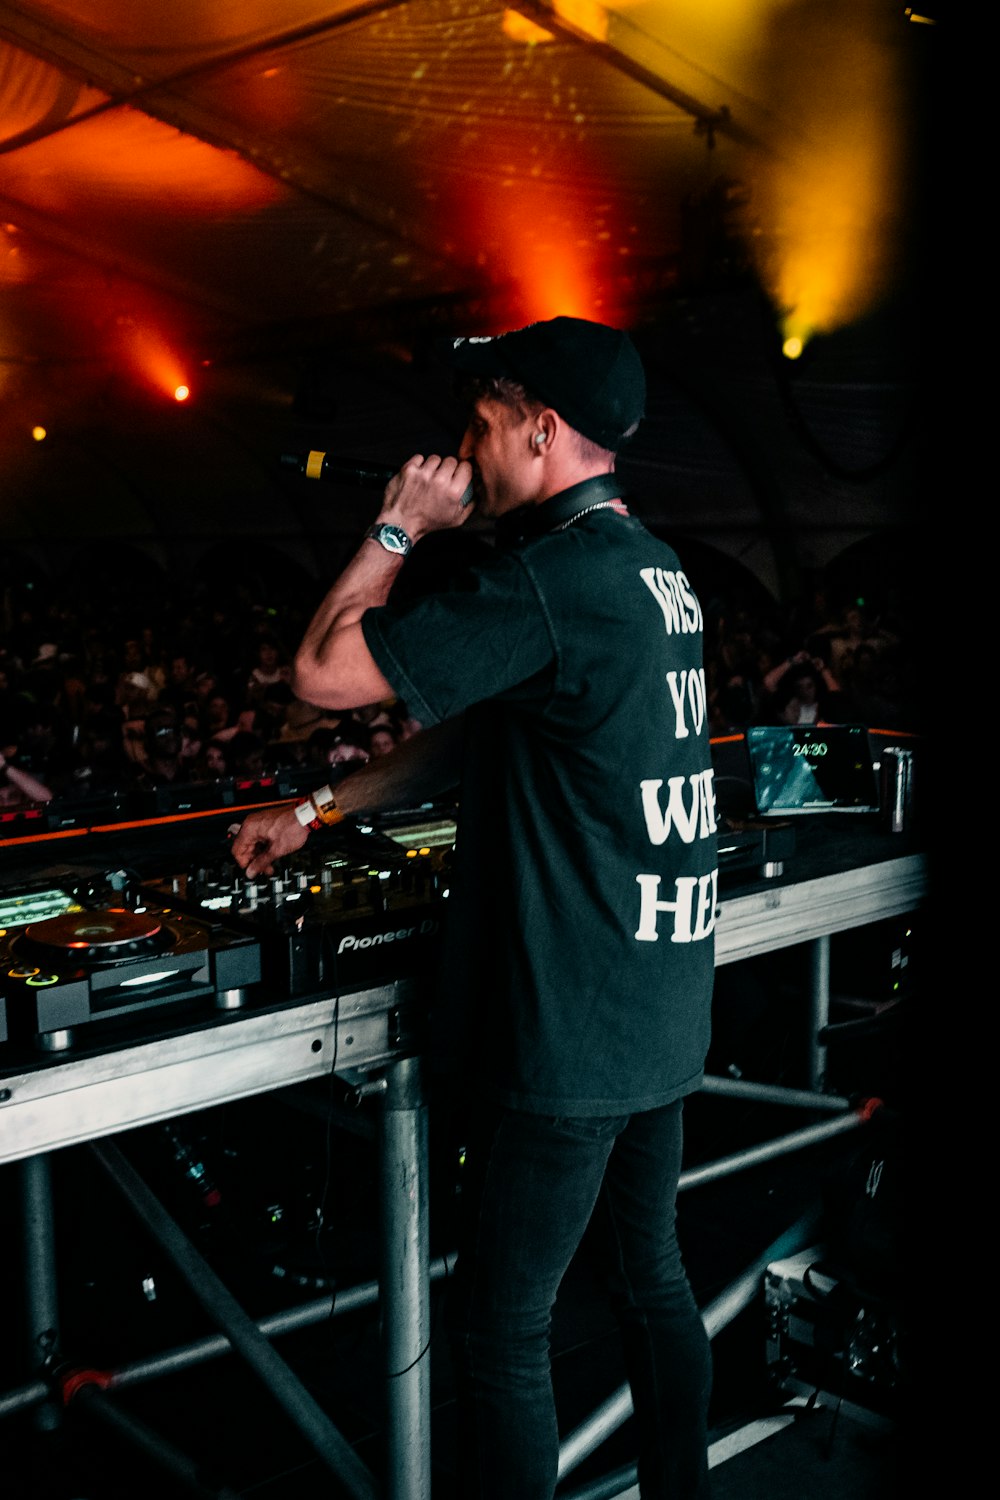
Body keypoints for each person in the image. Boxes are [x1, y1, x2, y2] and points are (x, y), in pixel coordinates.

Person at [231, 315, 717, 1499]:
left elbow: (323, 675)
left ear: (541, 431)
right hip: (658, 999)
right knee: (649, 1274)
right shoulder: (649, 568)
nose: (464, 447)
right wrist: (322, 812)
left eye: (482, 424)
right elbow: (483, 729)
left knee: (503, 1329)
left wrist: (399, 522)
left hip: (573, 1024)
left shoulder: (551, 577)